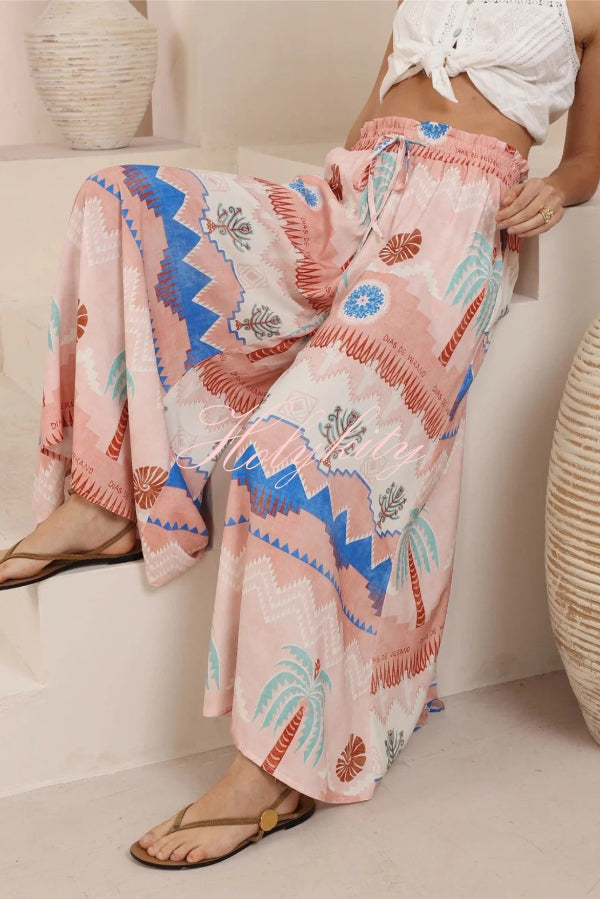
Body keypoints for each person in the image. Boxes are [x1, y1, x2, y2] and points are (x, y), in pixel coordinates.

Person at [2, 0, 599, 872]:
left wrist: (554, 190)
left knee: (285, 458)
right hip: (355, 198)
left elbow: (586, 161)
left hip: (454, 231)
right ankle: (107, 504)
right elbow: (372, 111)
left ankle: (269, 772)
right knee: (118, 199)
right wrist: (331, 215)